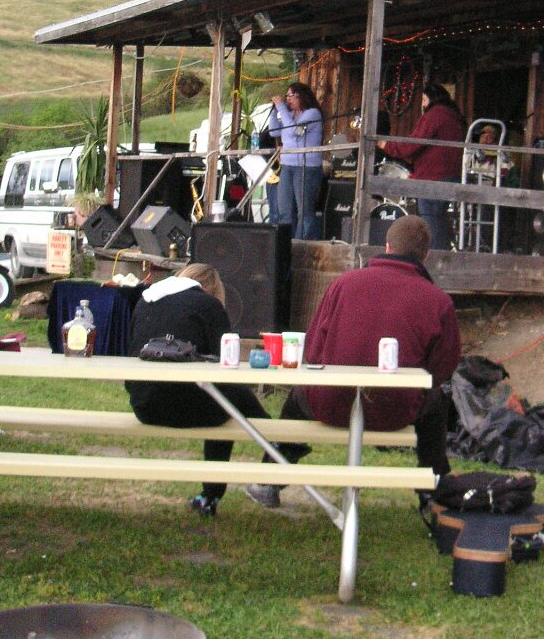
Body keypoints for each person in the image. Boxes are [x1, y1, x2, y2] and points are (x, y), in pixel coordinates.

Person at [245, 215, 461, 510]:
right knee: (435, 402)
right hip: (395, 408)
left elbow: (314, 350)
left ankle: (269, 479)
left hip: (331, 402)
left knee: (298, 397)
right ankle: (433, 490)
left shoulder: (343, 284)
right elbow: (443, 367)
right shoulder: (437, 300)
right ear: (426, 256)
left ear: (386, 246)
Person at [125, 262, 271, 517]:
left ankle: (275, 440)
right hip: (191, 410)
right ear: (212, 288)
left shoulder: (145, 301)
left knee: (229, 397)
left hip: (145, 405)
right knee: (229, 398)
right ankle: (272, 442)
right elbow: (225, 365)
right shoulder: (209, 306)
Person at [378, 84, 464, 250]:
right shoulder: (454, 117)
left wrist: (387, 145)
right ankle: (443, 253)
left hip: (433, 176)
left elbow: (413, 144)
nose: (423, 105)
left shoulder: (434, 115)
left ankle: (435, 256)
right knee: (439, 218)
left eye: (424, 100)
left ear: (433, 98)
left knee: (431, 218)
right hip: (449, 174)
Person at [267, 81, 323, 239]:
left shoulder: (312, 114)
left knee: (303, 211)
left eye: (291, 95)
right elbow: (273, 132)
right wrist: (274, 112)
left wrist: (281, 108)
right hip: (287, 166)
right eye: (286, 96)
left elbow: (294, 131)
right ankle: (284, 243)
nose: (288, 99)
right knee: (284, 210)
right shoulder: (290, 116)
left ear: (301, 96)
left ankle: (300, 244)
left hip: (306, 167)